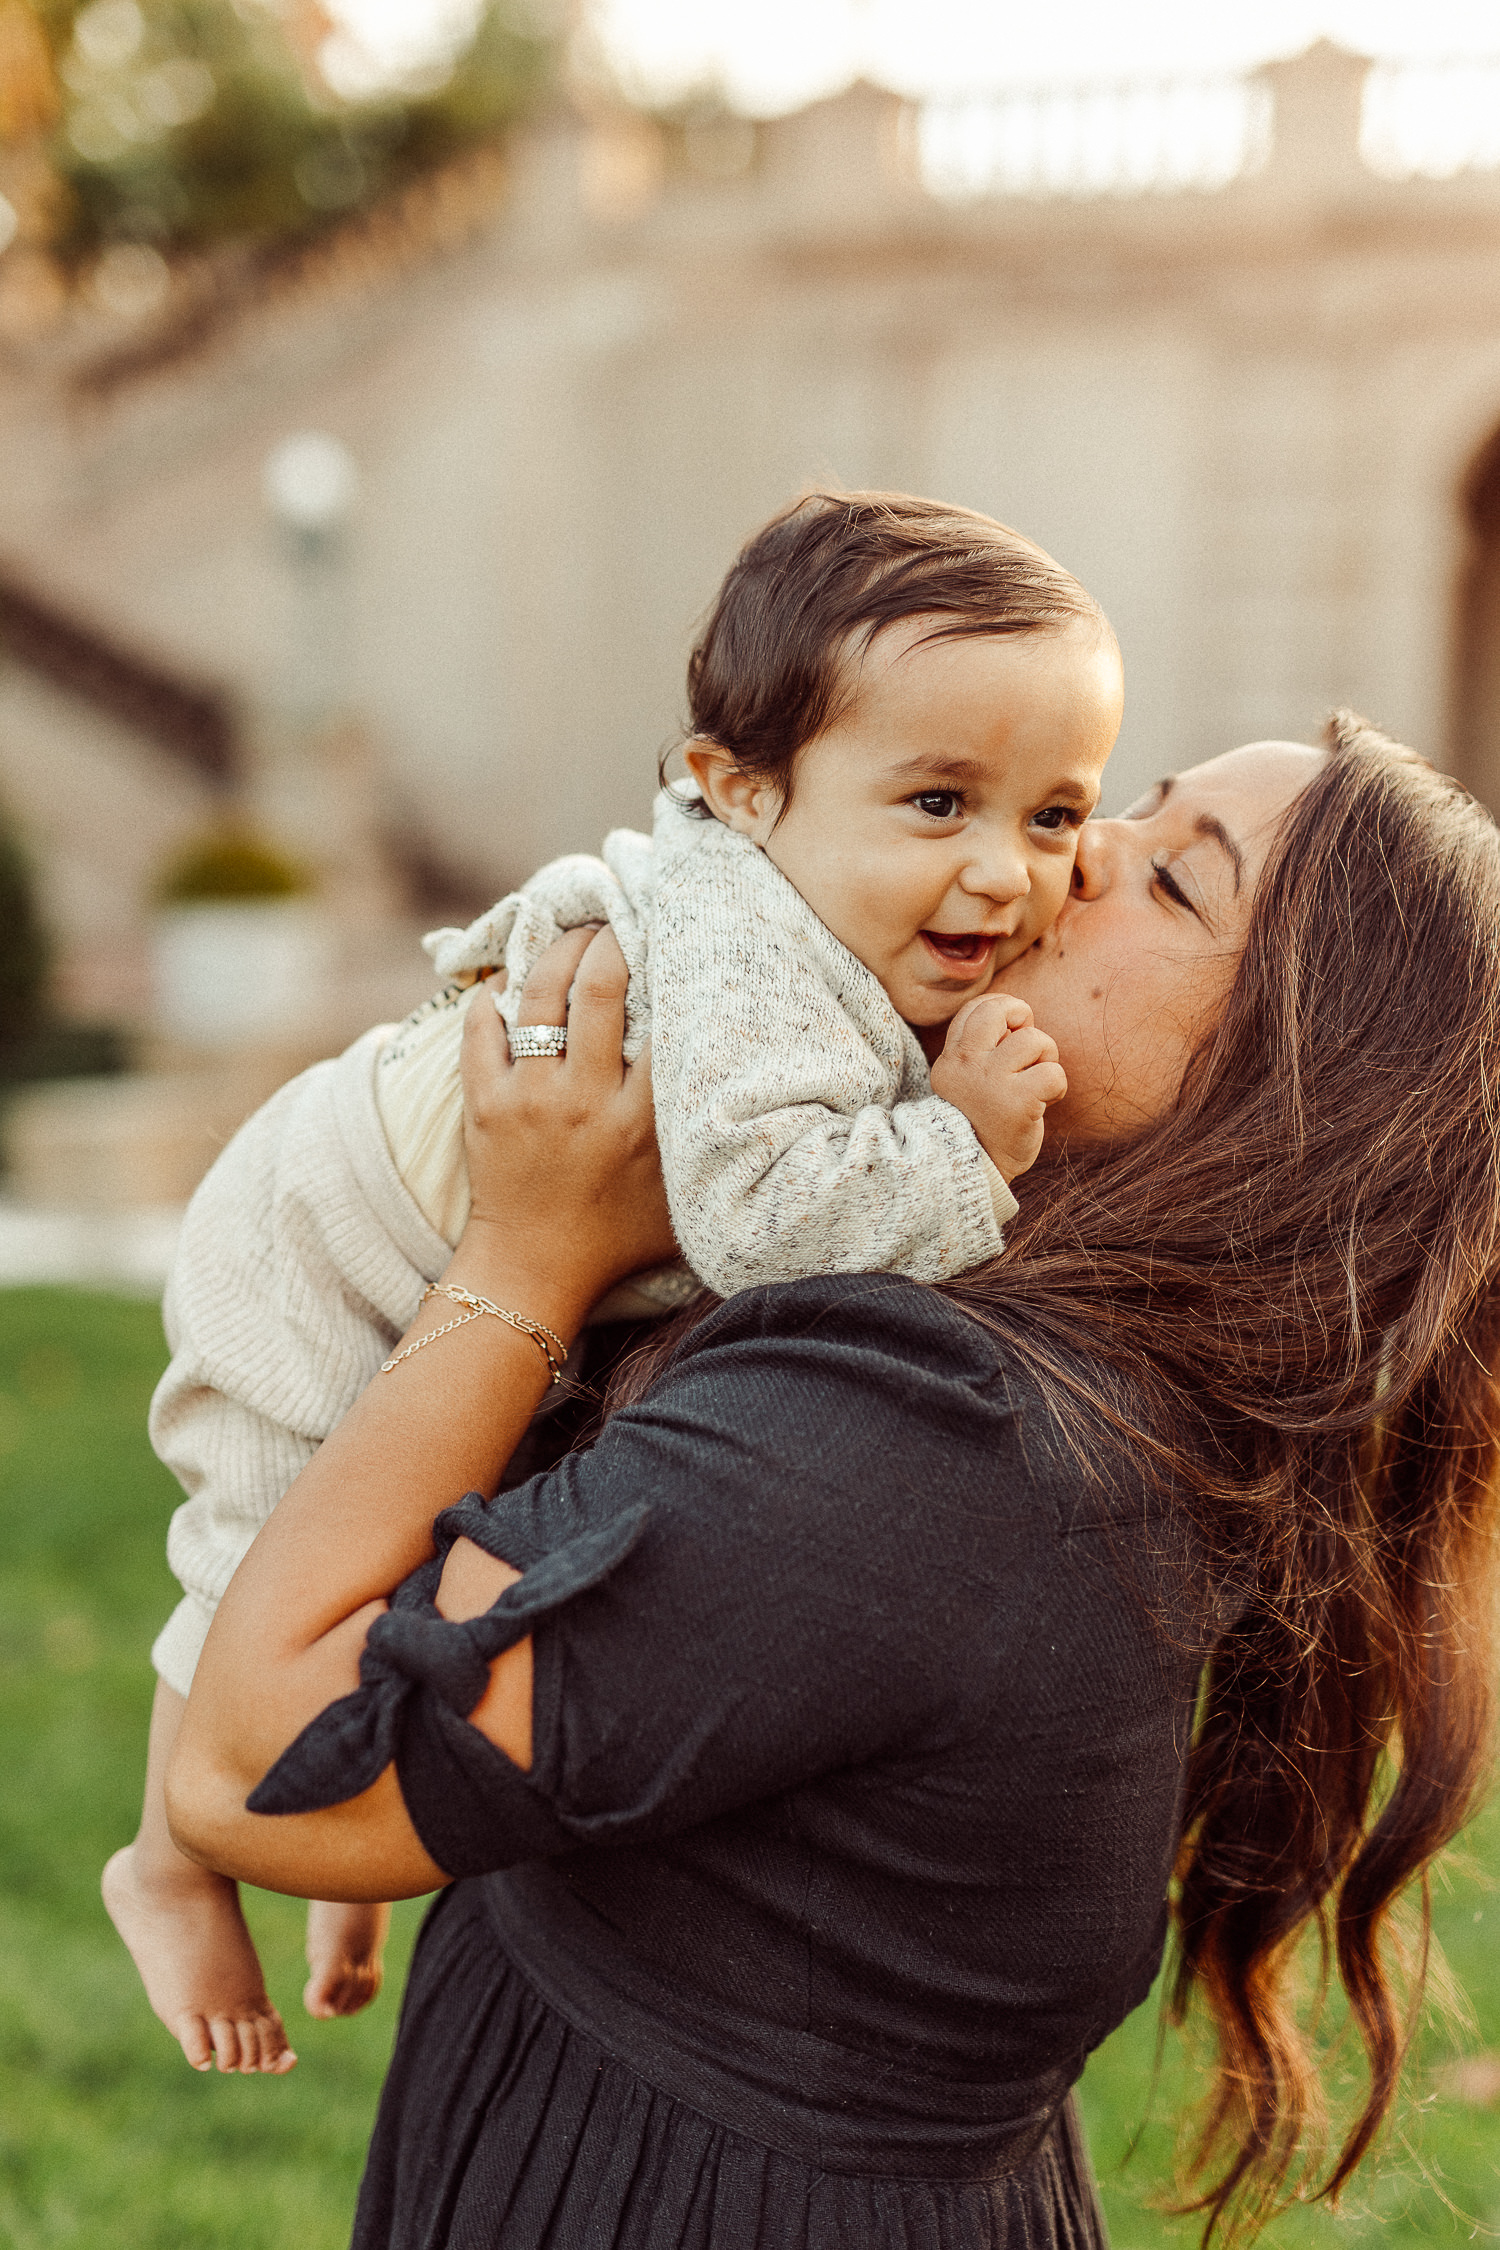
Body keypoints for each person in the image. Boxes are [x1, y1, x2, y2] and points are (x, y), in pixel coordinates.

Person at [166, 716, 1500, 2247]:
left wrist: (525, 1252)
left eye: (1177, 884)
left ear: (1291, 1109)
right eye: (1131, 804)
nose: (1080, 852)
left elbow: (261, 1766)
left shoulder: (929, 1437)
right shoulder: (989, 1309)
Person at [104, 489, 1124, 2072]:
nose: (1006, 872)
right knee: (258, 1544)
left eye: (1054, 817)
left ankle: (343, 1864)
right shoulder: (747, 954)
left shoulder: (827, 921)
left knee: (391, 1548)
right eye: (938, 804)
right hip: (318, 1218)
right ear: (739, 790)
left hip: (440, 1221)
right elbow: (759, 1223)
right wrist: (961, 1142)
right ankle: (169, 1862)